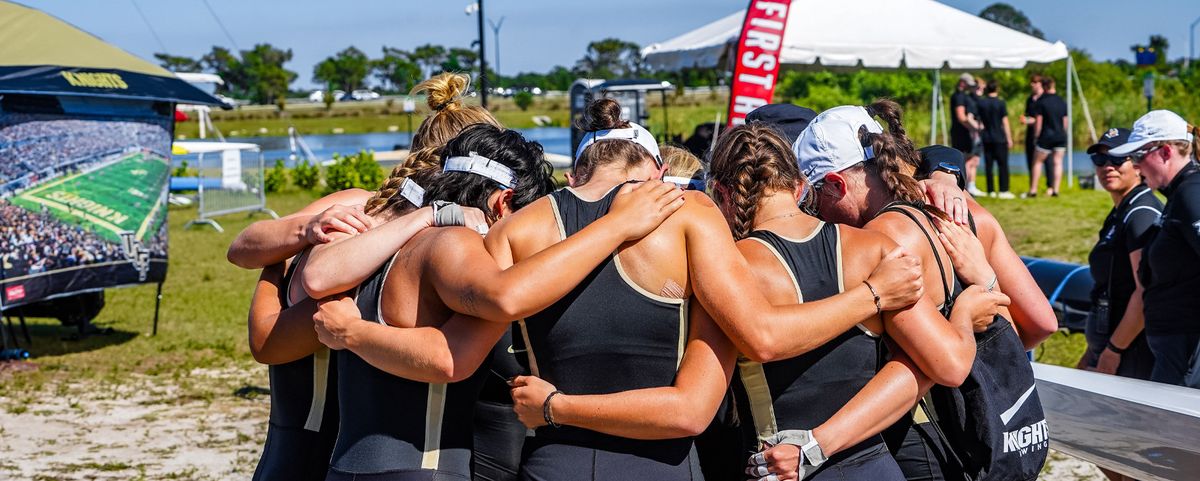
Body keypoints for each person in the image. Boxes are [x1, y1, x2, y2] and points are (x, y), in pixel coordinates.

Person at [494, 98, 926, 481]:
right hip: (666, 464)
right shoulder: (690, 218)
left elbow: (475, 338)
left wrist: (555, 407)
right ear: (659, 173)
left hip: (553, 460)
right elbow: (695, 407)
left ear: (575, 174)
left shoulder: (514, 229)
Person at [302, 124, 687, 481]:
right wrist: (616, 225)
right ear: (503, 203)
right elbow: (458, 348)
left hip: (345, 465)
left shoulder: (374, 234)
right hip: (427, 467)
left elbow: (314, 275)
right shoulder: (454, 244)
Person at [229, 72, 499, 481]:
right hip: (331, 454)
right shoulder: (364, 216)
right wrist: (299, 238)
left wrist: (279, 264)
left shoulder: (407, 223)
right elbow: (267, 327)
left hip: (313, 452)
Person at [707, 123, 999, 481]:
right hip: (875, 467)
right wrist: (964, 316)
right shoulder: (872, 249)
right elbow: (948, 365)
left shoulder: (729, 267)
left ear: (722, 193)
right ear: (800, 187)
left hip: (778, 468)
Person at [795, 110, 1040, 481]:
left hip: (922, 436)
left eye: (815, 202)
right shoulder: (961, 211)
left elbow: (942, 366)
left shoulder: (878, 242)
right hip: (984, 430)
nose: (819, 217)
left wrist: (818, 444)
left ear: (835, 184)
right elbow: (1039, 323)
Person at [1108, 110, 1200, 386]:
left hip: (1186, 351)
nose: (1135, 167)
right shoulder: (1180, 193)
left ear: (1166, 152)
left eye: (1138, 156)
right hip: (1175, 347)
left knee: (1170, 429)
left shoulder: (1190, 194)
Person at [1029, 76, 1069, 197]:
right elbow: (1065, 122)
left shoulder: (1041, 102)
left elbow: (1039, 121)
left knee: (1037, 162)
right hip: (1060, 136)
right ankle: (1055, 190)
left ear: (1044, 87)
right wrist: (1063, 133)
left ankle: (1033, 190)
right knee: (1058, 162)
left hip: (1046, 136)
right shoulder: (1062, 101)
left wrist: (1036, 136)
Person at [976, 80, 1014, 198]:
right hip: (1000, 138)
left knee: (989, 165)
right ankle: (1003, 190)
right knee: (1002, 164)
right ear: (996, 89)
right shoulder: (1001, 103)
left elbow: (979, 121)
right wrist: (1009, 138)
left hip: (986, 137)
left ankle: (990, 190)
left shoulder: (982, 103)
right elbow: (1005, 122)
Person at [950, 74, 980, 190]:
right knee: (965, 160)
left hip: (961, 132)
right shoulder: (959, 97)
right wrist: (975, 128)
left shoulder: (960, 96)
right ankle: (966, 187)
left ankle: (968, 186)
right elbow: (961, 117)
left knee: (968, 159)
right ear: (962, 83)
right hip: (962, 133)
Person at [1021, 74, 1047, 190]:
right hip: (1031, 134)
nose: (1032, 84)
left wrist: (1031, 120)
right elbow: (1028, 115)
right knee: (1030, 160)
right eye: (1031, 82)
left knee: (1047, 162)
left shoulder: (1045, 99)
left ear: (1040, 84)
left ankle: (1049, 186)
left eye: (1035, 82)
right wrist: (1025, 119)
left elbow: (1044, 118)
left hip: (1044, 134)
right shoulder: (1030, 99)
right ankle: (1033, 186)